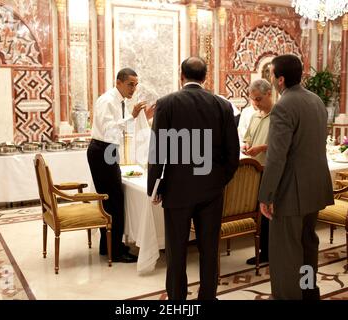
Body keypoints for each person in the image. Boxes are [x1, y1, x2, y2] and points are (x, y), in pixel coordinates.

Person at [147, 57, 240, 300]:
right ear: (205, 77)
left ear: (181, 76)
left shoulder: (166, 104)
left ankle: (177, 299)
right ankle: (207, 296)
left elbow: (158, 151)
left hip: (177, 189)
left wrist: (155, 187)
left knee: (176, 249)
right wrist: (220, 181)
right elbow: (233, 153)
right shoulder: (222, 105)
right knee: (209, 248)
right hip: (211, 190)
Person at [258, 54, 334, 300]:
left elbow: (276, 157)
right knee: (308, 246)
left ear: (280, 80)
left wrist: (266, 194)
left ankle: (287, 296)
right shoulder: (316, 101)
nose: (270, 78)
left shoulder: (283, 106)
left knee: (285, 253)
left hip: (291, 191)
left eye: (271, 74)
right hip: (316, 187)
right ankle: (308, 291)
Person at [88, 67, 154, 263]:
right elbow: (109, 131)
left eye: (135, 85)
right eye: (130, 84)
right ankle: (115, 251)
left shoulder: (118, 101)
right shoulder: (108, 101)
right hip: (102, 150)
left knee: (112, 199)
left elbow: (120, 130)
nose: (133, 89)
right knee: (113, 200)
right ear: (118, 82)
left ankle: (107, 245)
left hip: (107, 149)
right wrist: (132, 117)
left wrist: (143, 117)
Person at [241, 79, 273, 266]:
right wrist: (247, 145)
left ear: (269, 93)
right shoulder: (254, 116)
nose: (256, 104)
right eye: (253, 100)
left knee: (268, 214)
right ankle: (262, 250)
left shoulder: (279, 115)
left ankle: (269, 252)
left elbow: (283, 144)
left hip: (270, 170)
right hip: (255, 171)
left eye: (259, 99)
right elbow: (248, 139)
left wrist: (261, 148)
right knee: (258, 213)